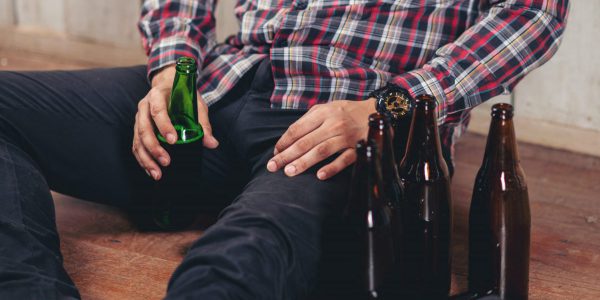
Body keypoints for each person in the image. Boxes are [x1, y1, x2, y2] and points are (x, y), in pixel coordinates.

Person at [0, 0, 568, 299]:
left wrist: (391, 109)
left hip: (347, 112)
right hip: (221, 84)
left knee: (242, 257)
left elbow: (536, 11)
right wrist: (173, 70)